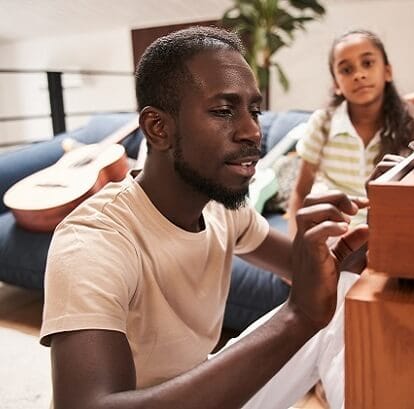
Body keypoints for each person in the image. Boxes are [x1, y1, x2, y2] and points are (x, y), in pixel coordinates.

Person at [39, 26, 369, 409]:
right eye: (224, 110)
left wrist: (365, 238)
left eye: (254, 110)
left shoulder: (221, 207)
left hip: (198, 385)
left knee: (343, 291)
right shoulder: (93, 241)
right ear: (158, 128)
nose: (252, 131)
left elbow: (310, 272)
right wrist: (297, 317)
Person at [287, 29, 414, 236]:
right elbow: (300, 192)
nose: (359, 75)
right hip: (331, 233)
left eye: (367, 64)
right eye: (346, 70)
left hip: (385, 233)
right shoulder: (323, 122)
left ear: (387, 71)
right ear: (336, 85)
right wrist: (295, 250)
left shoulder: (411, 125)